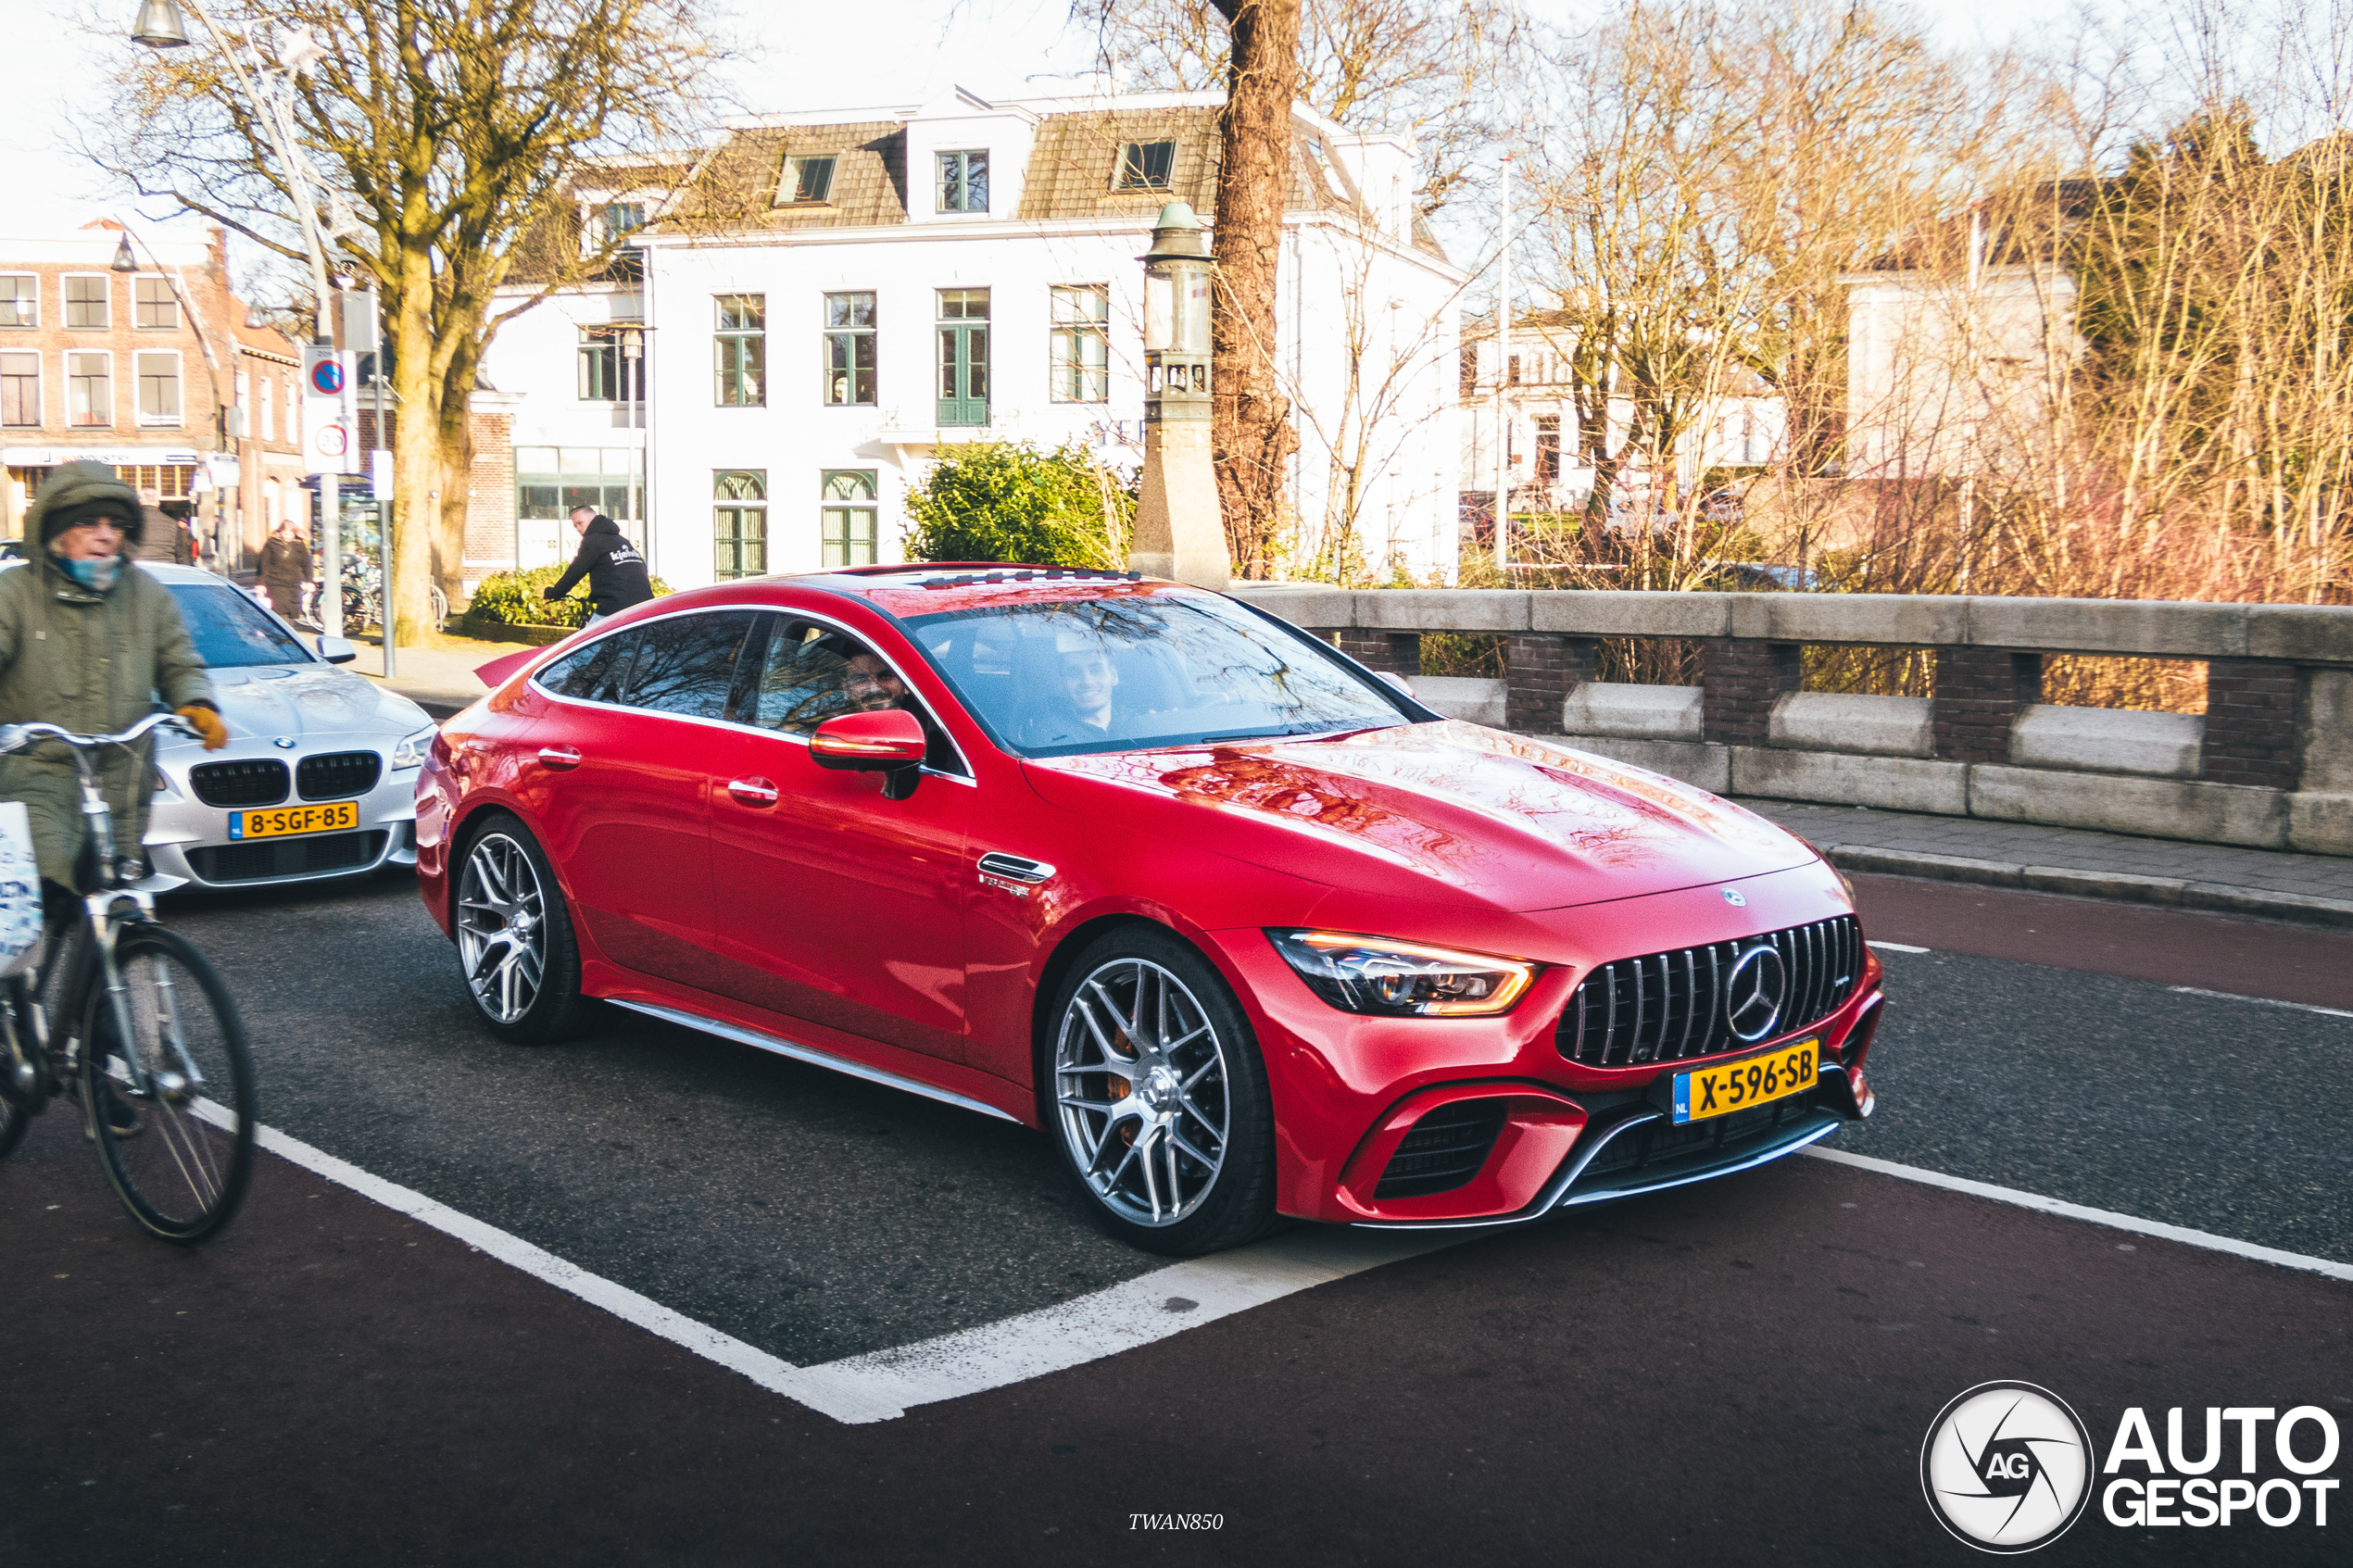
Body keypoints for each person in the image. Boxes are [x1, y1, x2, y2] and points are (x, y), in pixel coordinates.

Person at [0, 462, 229, 1134]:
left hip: (119, 786)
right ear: (56, 533)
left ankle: (93, 1074)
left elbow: (178, 658)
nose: (103, 536)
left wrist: (196, 702)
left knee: (110, 933)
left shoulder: (146, 596)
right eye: (86, 524)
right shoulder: (15, 595)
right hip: (36, 777)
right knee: (32, 914)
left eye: (113, 525)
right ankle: (15, 1028)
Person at [544, 507, 652, 626]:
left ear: (593, 519)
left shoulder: (593, 540)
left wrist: (554, 593)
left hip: (614, 607)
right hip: (644, 607)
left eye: (580, 523)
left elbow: (575, 571)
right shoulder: (622, 541)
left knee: (588, 641)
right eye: (575, 526)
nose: (579, 529)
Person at [258, 518, 310, 621]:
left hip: (293, 585)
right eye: (285, 534)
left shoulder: (299, 545)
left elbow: (306, 564)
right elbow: (263, 565)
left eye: (291, 534)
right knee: (278, 613)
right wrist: (260, 583)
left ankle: (287, 635)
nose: (288, 537)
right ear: (280, 532)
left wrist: (310, 581)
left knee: (291, 613)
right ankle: (280, 634)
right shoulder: (271, 544)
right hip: (275, 584)